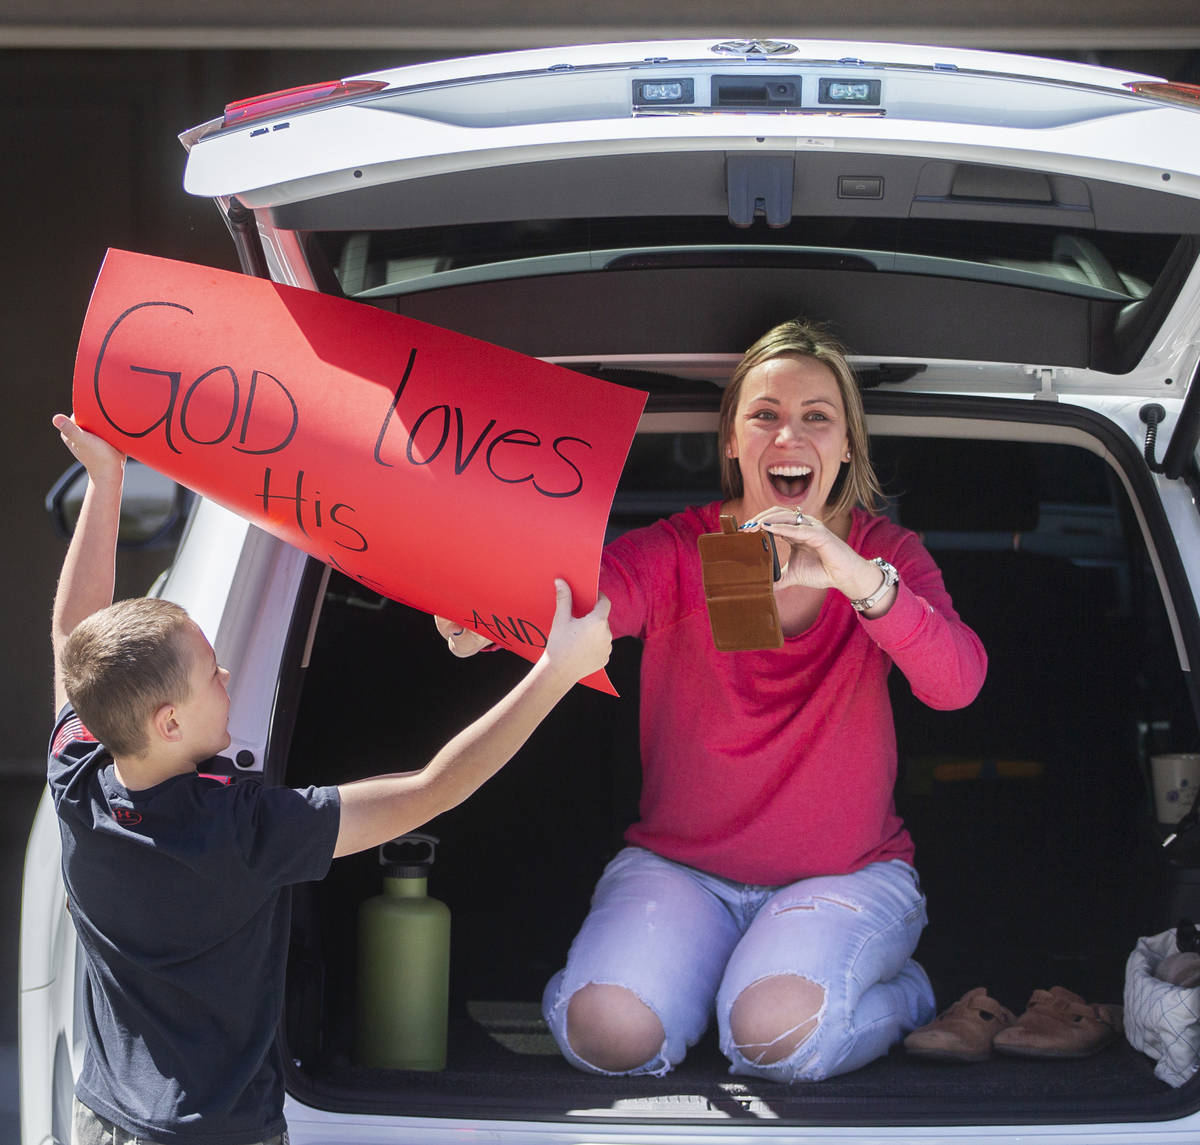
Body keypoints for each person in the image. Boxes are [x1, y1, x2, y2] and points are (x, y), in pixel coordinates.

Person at [436, 318, 987, 1083]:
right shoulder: (677, 549)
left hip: (846, 875)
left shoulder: (887, 557)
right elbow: (586, 600)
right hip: (682, 873)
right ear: (732, 440)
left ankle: (907, 996)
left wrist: (856, 580)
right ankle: (725, 980)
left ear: (848, 446)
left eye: (816, 416)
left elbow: (958, 683)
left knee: (773, 1037)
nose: (788, 433)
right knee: (604, 1033)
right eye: (764, 415)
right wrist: (489, 615)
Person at [48, 413, 612, 1145]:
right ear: (168, 723)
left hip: (106, 1121)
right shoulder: (243, 832)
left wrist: (105, 480)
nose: (226, 676)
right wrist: (557, 671)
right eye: (210, 673)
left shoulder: (79, 773)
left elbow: (72, 640)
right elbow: (432, 789)